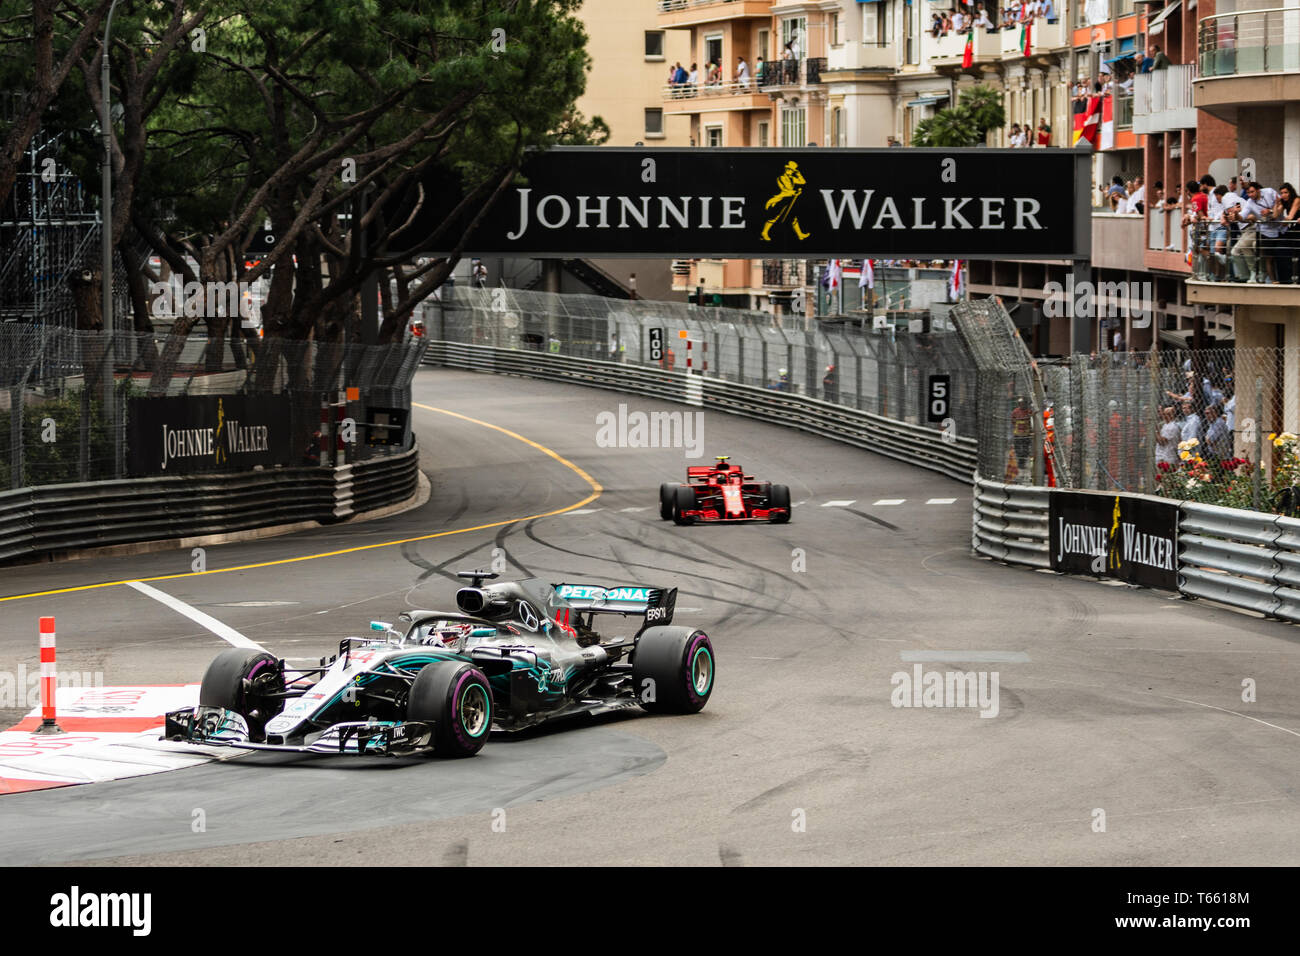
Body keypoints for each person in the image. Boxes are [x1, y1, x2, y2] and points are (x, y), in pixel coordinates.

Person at [1272, 183, 1300, 283]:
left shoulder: (1297, 200)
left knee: (1296, 252)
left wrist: (1283, 223)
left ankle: (1295, 279)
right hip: (1292, 228)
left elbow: (1290, 216)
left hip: (1297, 228)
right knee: (1280, 250)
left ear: (1290, 193)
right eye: (1281, 193)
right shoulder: (1284, 203)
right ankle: (1284, 278)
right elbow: (1275, 216)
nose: (1283, 195)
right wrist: (1276, 203)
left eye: (1286, 192)